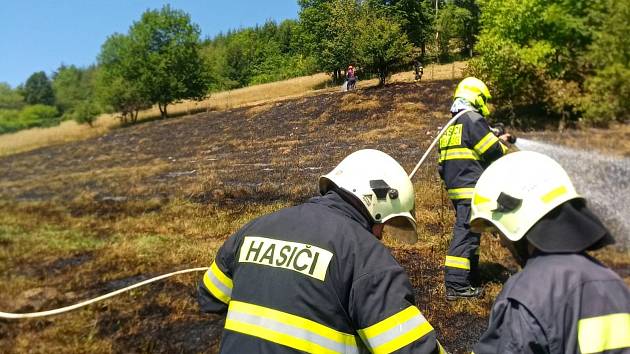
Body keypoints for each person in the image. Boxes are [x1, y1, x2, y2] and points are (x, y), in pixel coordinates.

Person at [198, 149, 446, 354]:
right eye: (384, 226)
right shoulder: (366, 257)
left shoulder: (256, 227)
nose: (380, 235)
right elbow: (412, 349)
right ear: (377, 205)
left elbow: (210, 297)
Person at [470, 151, 630, 354]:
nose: (501, 243)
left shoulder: (524, 297)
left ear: (517, 217)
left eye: (498, 232)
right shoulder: (614, 284)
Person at [437, 77, 513, 300]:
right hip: (471, 188)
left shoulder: (452, 125)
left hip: (457, 188)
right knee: (466, 234)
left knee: (471, 232)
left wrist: (493, 134)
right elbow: (493, 152)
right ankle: (457, 286)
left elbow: (443, 163)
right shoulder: (472, 119)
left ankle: (469, 276)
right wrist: (502, 142)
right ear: (477, 97)